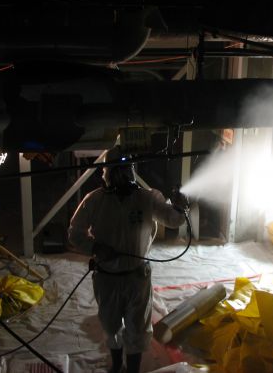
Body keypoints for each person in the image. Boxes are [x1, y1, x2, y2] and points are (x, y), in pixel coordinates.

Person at [68, 146, 188, 373]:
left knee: (138, 328)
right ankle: (116, 365)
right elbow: (74, 233)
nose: (123, 175)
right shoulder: (94, 201)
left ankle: (132, 370)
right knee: (110, 324)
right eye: (118, 170)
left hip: (137, 277)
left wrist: (180, 207)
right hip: (107, 277)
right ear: (107, 173)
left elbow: (172, 220)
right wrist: (96, 248)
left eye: (127, 169)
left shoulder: (147, 198)